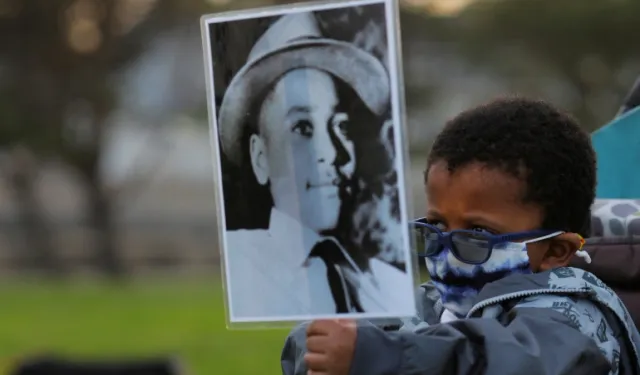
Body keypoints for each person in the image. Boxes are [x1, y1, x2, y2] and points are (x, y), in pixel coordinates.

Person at [280, 97, 640, 374]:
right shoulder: (436, 302)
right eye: (437, 227)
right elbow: (365, 334)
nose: (448, 254)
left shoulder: (574, 319)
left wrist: (384, 356)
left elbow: (514, 362)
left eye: (479, 233)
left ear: (555, 251)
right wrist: (318, 346)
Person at [219, 12, 410, 320]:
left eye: (342, 129)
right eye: (303, 129)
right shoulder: (236, 268)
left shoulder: (389, 285)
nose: (334, 154)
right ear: (260, 157)